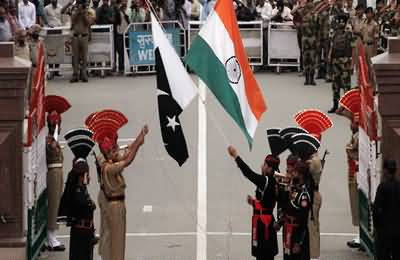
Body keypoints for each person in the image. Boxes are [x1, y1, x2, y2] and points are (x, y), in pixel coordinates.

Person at [91, 114, 148, 260]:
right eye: (111, 149)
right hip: (114, 205)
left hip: (112, 202)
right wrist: (138, 144)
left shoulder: (103, 159)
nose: (115, 151)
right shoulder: (109, 168)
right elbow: (127, 160)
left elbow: (121, 155)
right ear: (106, 151)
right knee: (116, 241)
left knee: (111, 237)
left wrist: (138, 140)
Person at [228, 145, 279, 260]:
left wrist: (236, 155)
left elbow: (248, 173)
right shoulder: (271, 181)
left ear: (270, 168)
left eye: (265, 164)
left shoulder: (266, 181)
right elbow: (266, 202)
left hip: (263, 224)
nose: (262, 165)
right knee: (265, 255)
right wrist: (254, 203)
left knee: (263, 255)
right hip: (266, 220)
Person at [58, 127, 97, 260]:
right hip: (82, 234)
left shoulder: (80, 188)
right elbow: (87, 206)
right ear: (83, 175)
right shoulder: (78, 193)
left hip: (85, 233)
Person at [44, 95, 71, 251]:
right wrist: (54, 130)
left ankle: (52, 235)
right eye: (58, 124)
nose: (60, 127)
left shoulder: (51, 138)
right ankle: (51, 237)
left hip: (58, 171)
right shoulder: (49, 140)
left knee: (57, 203)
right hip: (53, 172)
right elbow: (53, 147)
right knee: (53, 204)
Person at [335, 88, 361, 249]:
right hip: (353, 173)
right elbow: (340, 111)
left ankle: (361, 236)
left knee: (358, 206)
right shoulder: (355, 133)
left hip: (358, 175)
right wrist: (351, 107)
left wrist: (348, 149)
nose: (351, 123)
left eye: (354, 122)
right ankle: (360, 234)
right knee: (355, 206)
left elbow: (353, 153)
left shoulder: (359, 138)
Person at [278, 161, 312, 260]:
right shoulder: (294, 189)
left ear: (300, 175)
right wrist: (280, 221)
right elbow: (287, 208)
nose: (292, 174)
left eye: (295, 172)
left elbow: (304, 220)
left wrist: (298, 242)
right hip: (289, 231)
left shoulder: (304, 195)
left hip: (297, 233)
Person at [373, 159, 400, 260]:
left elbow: (376, 210)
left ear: (385, 171)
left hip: (384, 232)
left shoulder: (382, 187)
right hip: (398, 232)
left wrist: (376, 227)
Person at [328, 13, 353, 113]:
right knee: (335, 84)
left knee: (346, 85)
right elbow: (332, 45)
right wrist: (329, 56)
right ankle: (335, 105)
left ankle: (348, 107)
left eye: (343, 21)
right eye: (340, 21)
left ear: (345, 22)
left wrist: (352, 63)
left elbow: (353, 47)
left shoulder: (349, 33)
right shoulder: (335, 33)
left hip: (345, 61)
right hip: (335, 61)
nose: (341, 23)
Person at [70, 0, 95, 83]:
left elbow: (88, 22)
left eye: (81, 4)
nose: (80, 6)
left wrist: (84, 13)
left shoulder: (88, 12)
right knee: (75, 57)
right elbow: (73, 20)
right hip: (75, 37)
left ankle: (84, 74)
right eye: (79, 4)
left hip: (84, 36)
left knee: (84, 57)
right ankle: (75, 74)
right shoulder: (74, 11)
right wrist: (78, 12)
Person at [301, 0, 317, 86]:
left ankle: (310, 79)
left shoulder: (314, 16)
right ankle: (308, 79)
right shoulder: (305, 14)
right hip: (307, 39)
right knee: (308, 60)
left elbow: (318, 27)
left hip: (310, 39)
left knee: (310, 60)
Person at [44, 0, 63, 76]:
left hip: (59, 31)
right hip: (50, 32)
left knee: (58, 50)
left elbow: (62, 19)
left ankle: (57, 71)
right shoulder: (46, 8)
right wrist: (48, 25)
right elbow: (44, 20)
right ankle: (51, 70)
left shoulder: (61, 7)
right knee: (51, 50)